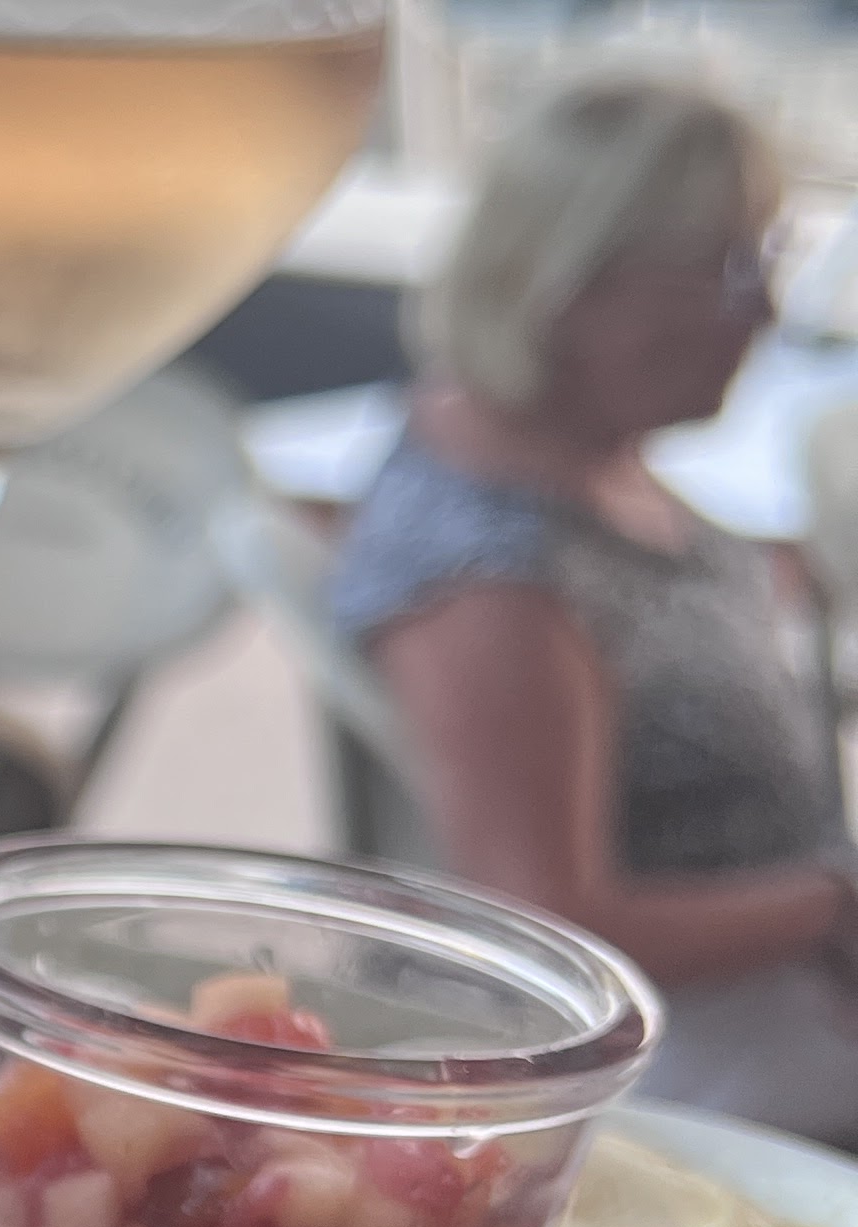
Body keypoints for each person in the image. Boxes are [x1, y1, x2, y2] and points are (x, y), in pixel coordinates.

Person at [331, 76, 858, 1141]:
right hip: (682, 1079)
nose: (762, 312)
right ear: (568, 286)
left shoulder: (575, 451)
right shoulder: (493, 576)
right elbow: (548, 922)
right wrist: (832, 904)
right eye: (726, 270)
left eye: (768, 259)